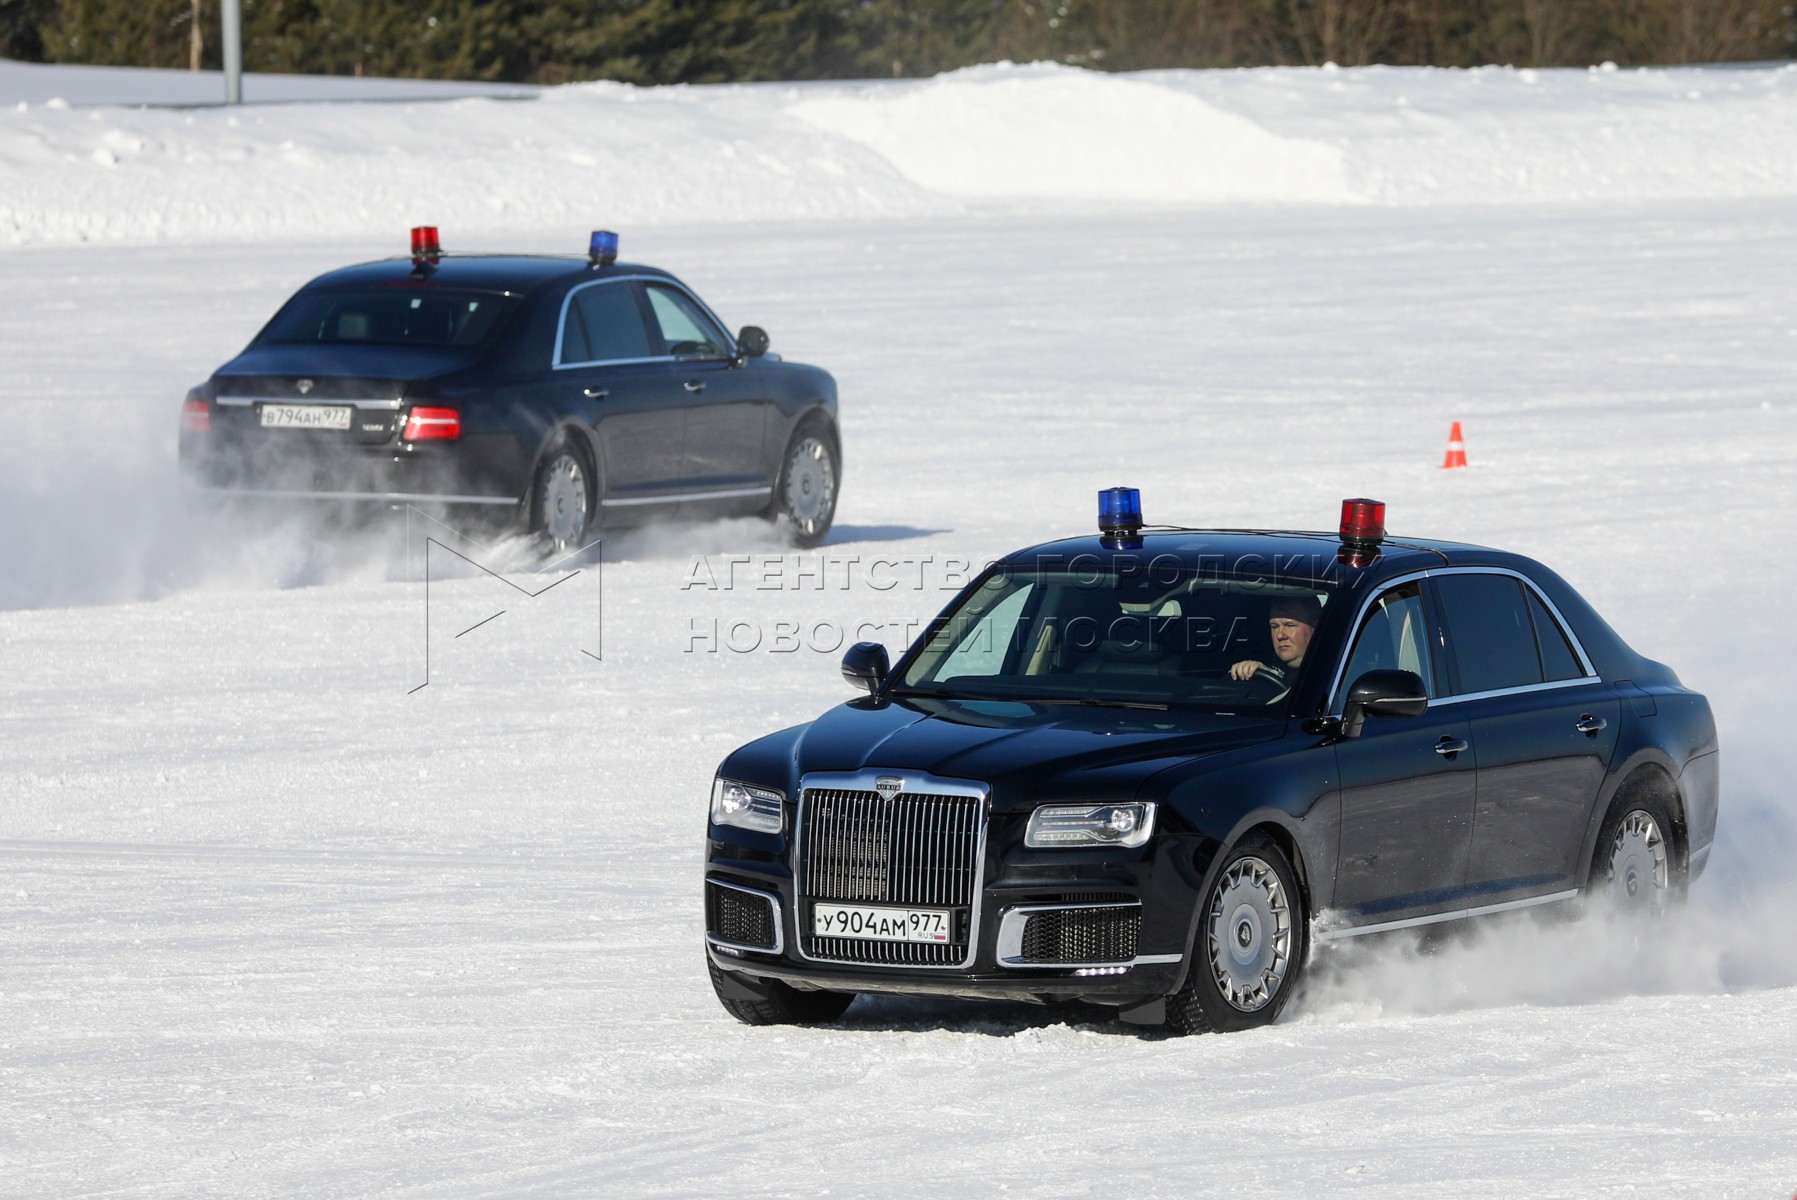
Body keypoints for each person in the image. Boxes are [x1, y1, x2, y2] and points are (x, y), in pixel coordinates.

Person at [1229, 595, 1321, 690]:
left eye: (1289, 625)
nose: (1280, 635)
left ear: (1317, 627)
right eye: (1274, 626)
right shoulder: (1264, 666)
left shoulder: (1331, 676)